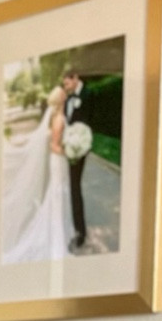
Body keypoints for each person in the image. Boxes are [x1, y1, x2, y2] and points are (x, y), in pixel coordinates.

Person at [1, 83, 73, 265]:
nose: (66, 94)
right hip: (58, 160)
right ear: (61, 99)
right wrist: (71, 152)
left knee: (57, 194)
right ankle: (56, 239)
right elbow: (54, 145)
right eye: (64, 94)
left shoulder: (53, 117)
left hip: (56, 161)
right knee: (57, 194)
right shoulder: (58, 119)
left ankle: (58, 233)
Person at [61, 67, 91, 250]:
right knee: (69, 187)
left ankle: (80, 231)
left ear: (76, 78)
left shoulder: (88, 94)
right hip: (68, 145)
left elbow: (91, 123)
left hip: (79, 147)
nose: (66, 87)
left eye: (67, 83)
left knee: (74, 186)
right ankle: (71, 225)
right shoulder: (68, 99)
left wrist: (81, 146)